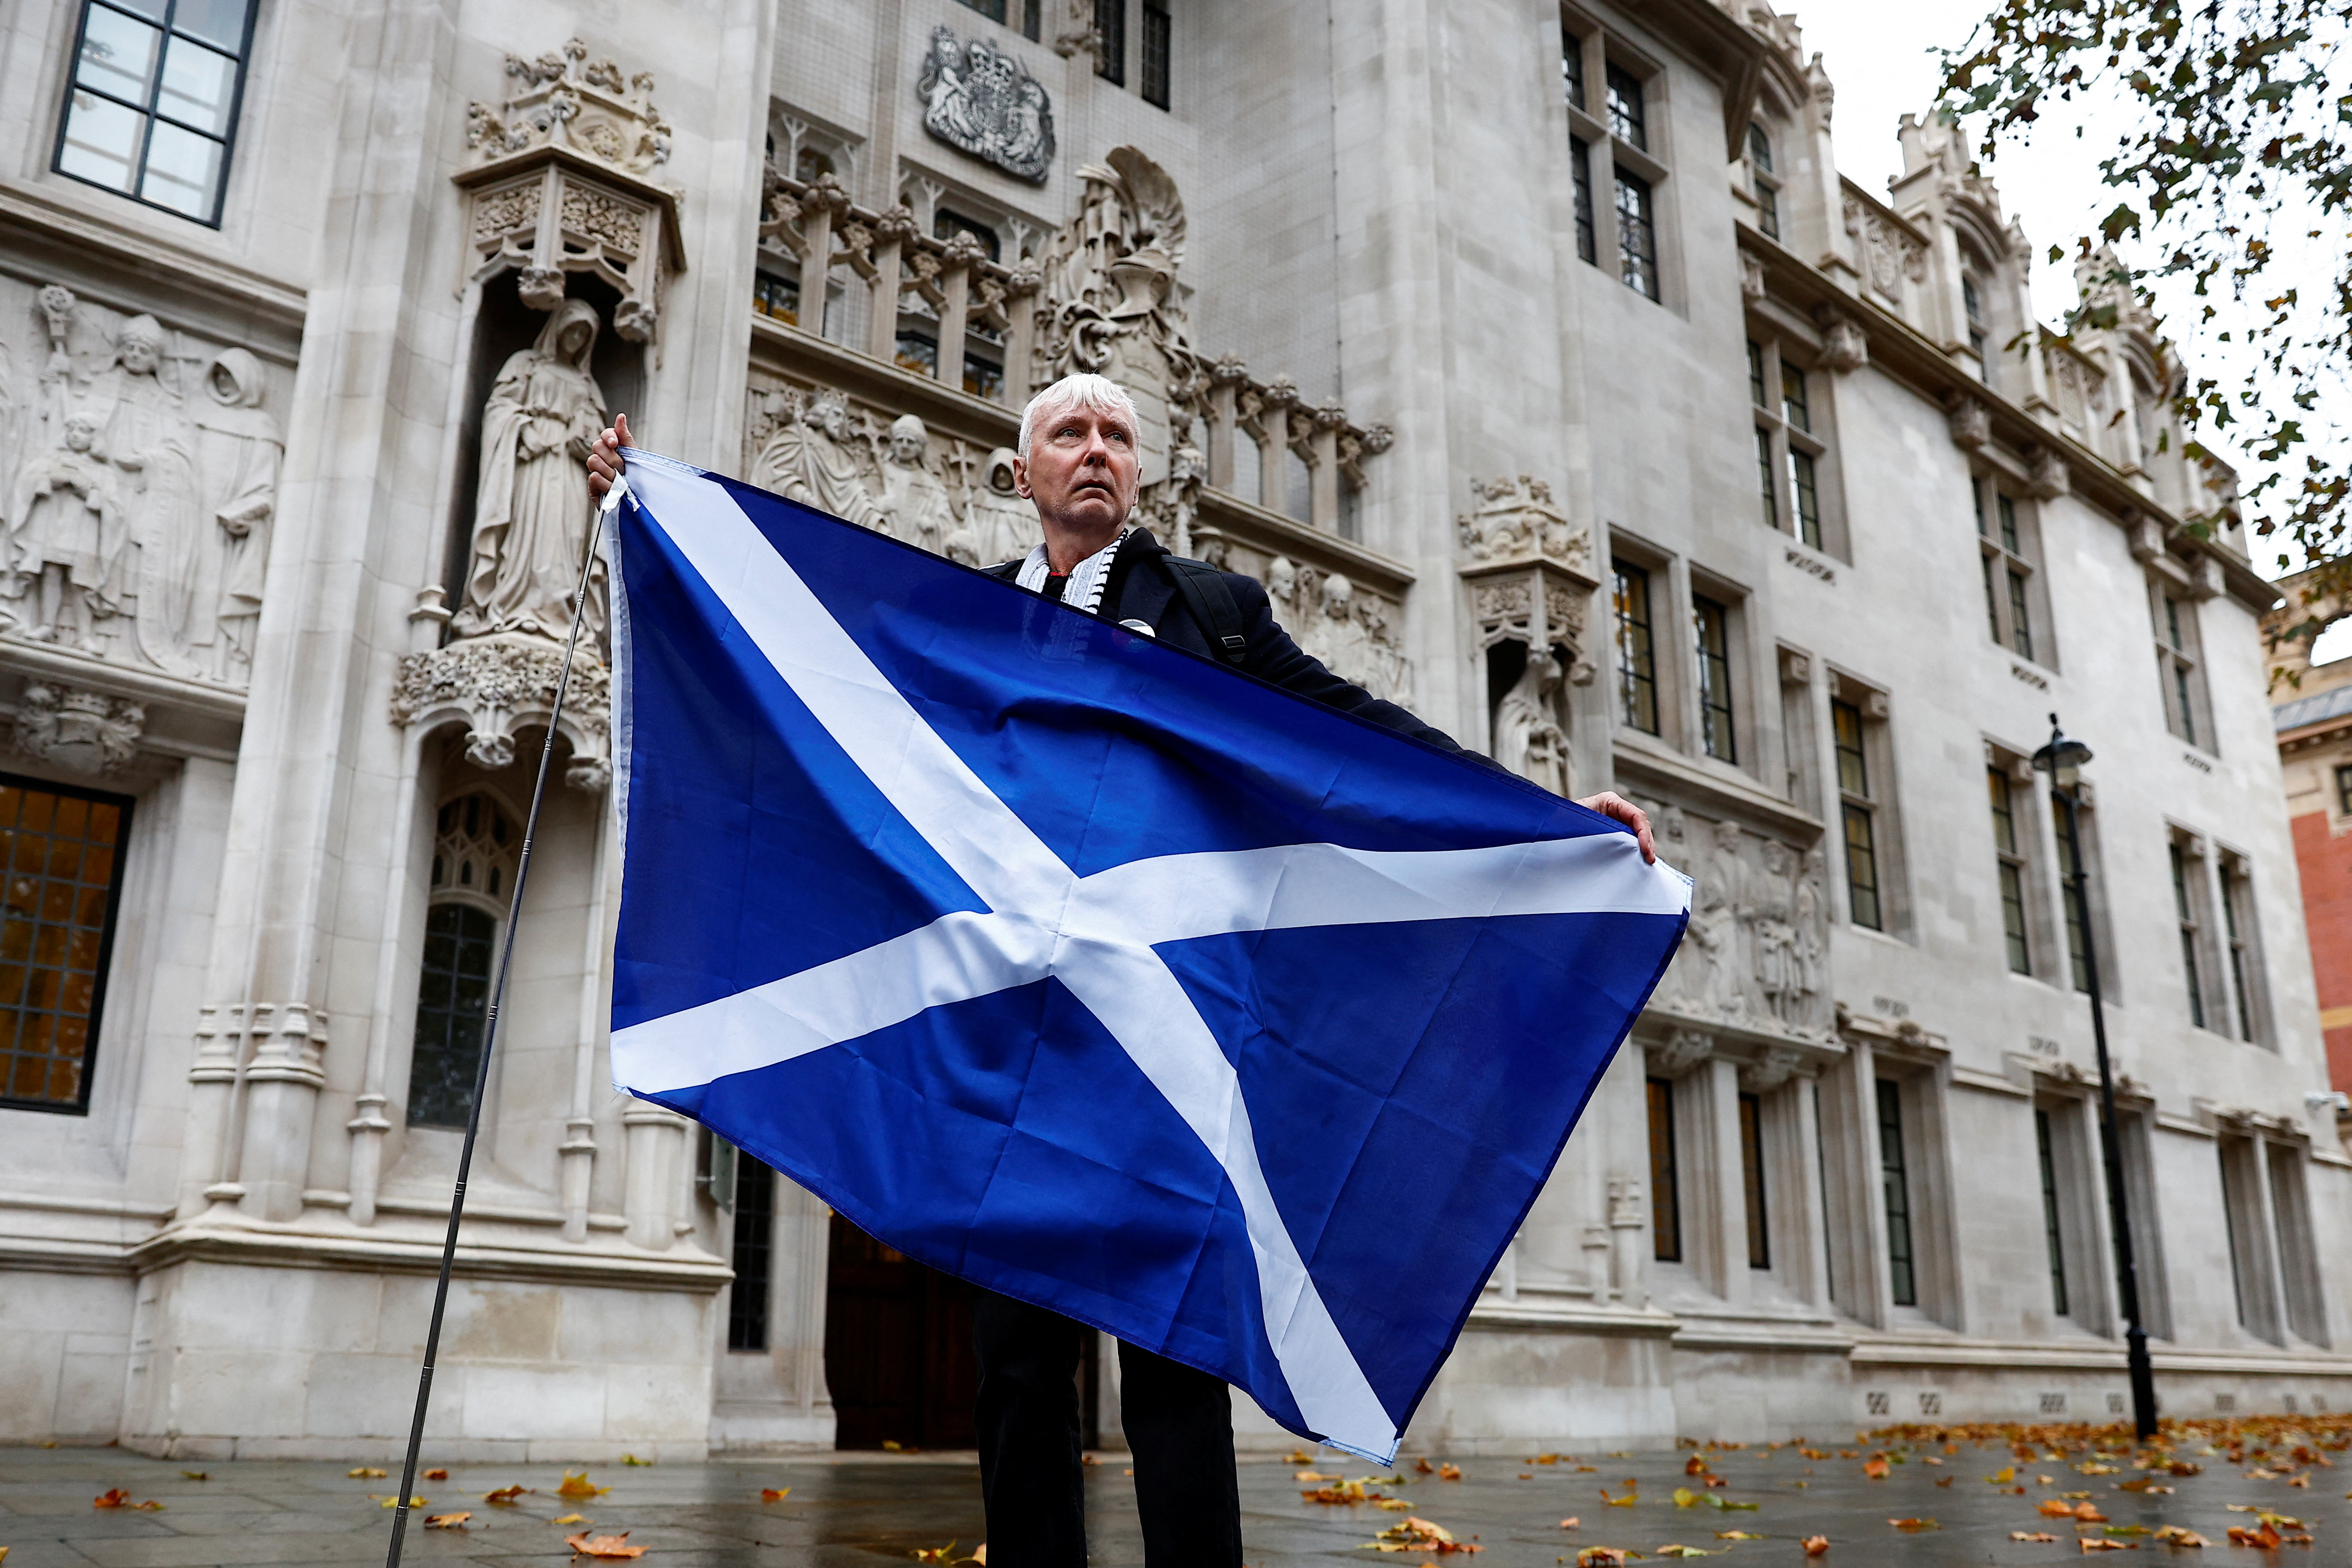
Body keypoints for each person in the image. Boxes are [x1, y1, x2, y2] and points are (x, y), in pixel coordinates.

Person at [586, 375, 1654, 1568]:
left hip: (1157, 1056)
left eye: (1116, 437)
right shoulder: (963, 619)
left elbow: (1360, 737)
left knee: (1172, 1367)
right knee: (1017, 1364)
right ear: (1022, 469)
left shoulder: (1211, 609)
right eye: (1069, 434)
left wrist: (1543, 815)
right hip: (1012, 1061)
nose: (1094, 452)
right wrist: (651, 514)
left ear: (1139, 473)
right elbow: (801, 656)